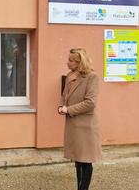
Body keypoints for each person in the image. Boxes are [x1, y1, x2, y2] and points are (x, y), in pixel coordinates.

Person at [58, 48, 101, 190]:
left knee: (86, 161)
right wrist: (61, 106)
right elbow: (66, 96)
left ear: (79, 62)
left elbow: (90, 103)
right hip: (73, 124)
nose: (67, 62)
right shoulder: (70, 75)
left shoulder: (92, 77)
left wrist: (68, 110)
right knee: (78, 160)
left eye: (70, 60)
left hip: (86, 126)